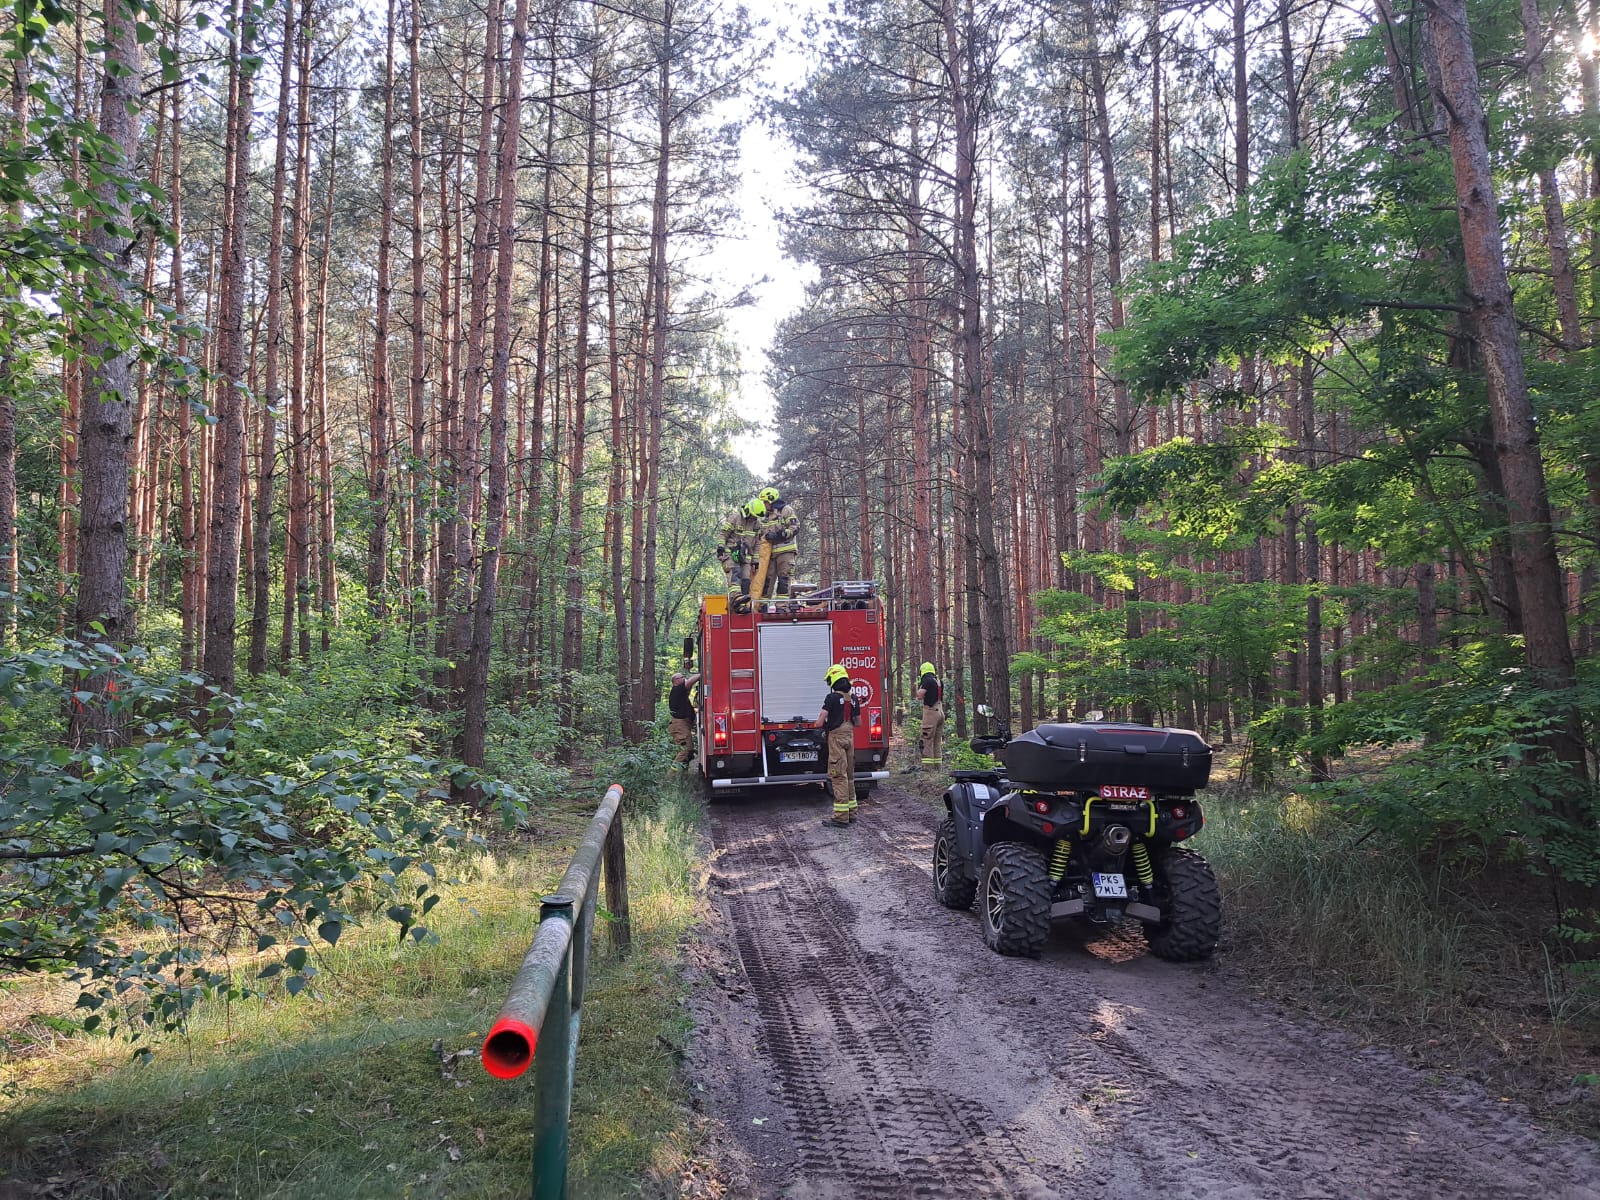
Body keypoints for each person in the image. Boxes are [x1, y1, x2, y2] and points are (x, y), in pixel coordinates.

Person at [817, 664, 860, 826]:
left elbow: (820, 721)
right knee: (849, 776)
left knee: (838, 776)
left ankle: (841, 817)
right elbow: (858, 722)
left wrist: (821, 724)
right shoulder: (853, 698)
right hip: (850, 737)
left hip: (836, 738)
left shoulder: (831, 698)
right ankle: (852, 813)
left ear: (833, 680)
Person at [756, 486, 800, 597]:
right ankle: (762, 605)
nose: (764, 504)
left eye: (765, 502)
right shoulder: (765, 516)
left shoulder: (786, 510)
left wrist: (780, 535)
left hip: (786, 551)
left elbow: (795, 527)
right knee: (766, 581)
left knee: (783, 580)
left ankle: (782, 605)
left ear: (771, 500)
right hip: (770, 554)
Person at [717, 498, 766, 594]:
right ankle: (736, 599)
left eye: (756, 517)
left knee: (746, 581)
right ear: (748, 511)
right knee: (735, 576)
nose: (754, 518)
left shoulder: (757, 524)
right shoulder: (735, 518)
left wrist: (755, 561)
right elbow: (723, 534)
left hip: (746, 557)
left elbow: (757, 543)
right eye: (753, 516)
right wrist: (720, 549)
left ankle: (744, 601)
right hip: (730, 554)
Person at [910, 661, 943, 771]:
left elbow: (920, 695)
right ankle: (938, 767)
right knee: (937, 741)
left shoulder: (927, 681)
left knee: (926, 739)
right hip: (940, 711)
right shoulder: (938, 681)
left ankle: (927, 767)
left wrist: (920, 687)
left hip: (931, 712)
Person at [667, 671, 700, 771]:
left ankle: (682, 774)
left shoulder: (681, 693)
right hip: (679, 724)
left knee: (689, 752)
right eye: (682, 677)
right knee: (685, 750)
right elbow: (689, 682)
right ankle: (672, 776)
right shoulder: (677, 690)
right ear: (676, 680)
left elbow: (688, 687)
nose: (684, 678)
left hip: (682, 724)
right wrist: (702, 674)